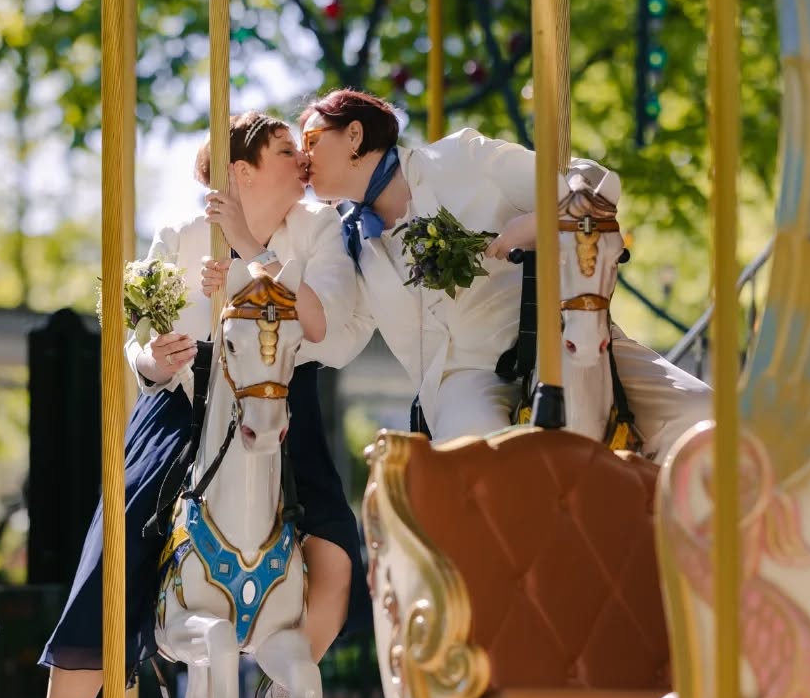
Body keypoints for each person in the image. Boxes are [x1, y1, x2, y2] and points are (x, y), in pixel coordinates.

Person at [17, 112, 370, 698]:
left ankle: (282, 687)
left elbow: (329, 328)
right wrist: (156, 361)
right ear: (240, 170)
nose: (301, 160)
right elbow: (140, 344)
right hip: (188, 401)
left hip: (279, 394)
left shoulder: (318, 228)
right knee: (111, 554)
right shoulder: (180, 237)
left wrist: (249, 256)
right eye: (283, 150)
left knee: (336, 546)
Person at [295, 88, 710, 455]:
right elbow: (337, 345)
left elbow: (594, 184)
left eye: (311, 140)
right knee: (477, 464)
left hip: (562, 334)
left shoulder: (457, 159)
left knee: (703, 415)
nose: (303, 156)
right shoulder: (353, 244)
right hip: (466, 377)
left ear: (353, 134)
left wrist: (533, 224)